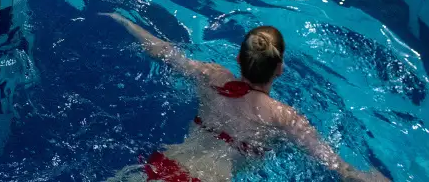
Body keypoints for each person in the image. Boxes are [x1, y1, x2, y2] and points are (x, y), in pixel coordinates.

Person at [101, 10, 389, 182]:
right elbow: (335, 166)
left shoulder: (212, 76)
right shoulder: (284, 117)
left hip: (161, 165)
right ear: (280, 69)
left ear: (238, 59)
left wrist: (125, 22)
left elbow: (166, 53)